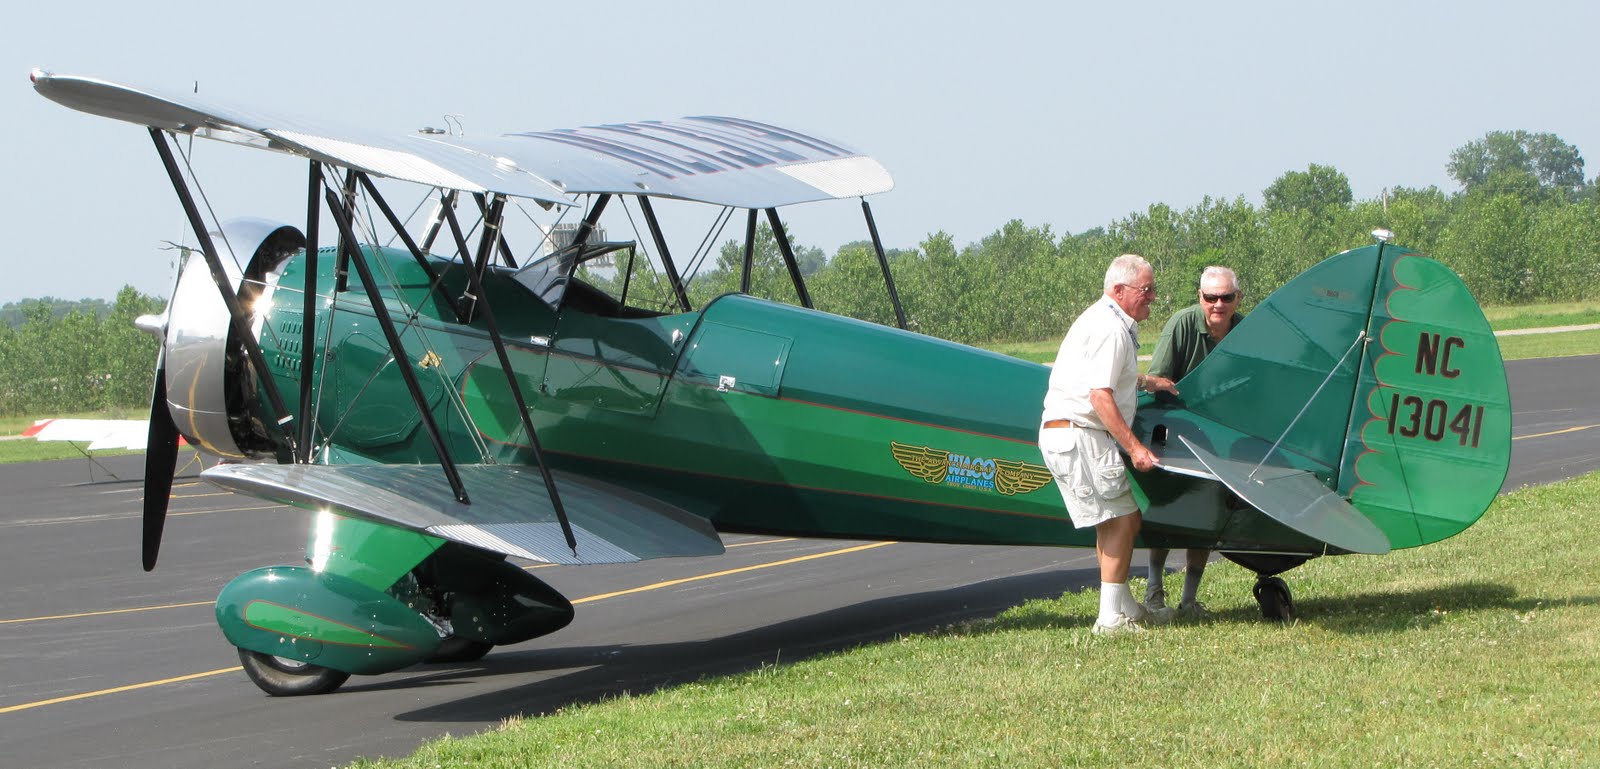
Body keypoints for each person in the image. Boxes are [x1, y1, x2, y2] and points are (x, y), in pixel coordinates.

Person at [1039, 254, 1179, 635]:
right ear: (1119, 290)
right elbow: (1100, 396)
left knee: (1116, 519)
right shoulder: (1111, 329)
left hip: (1069, 432)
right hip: (1081, 433)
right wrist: (1135, 448)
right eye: (1146, 290)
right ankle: (1109, 619)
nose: (1152, 298)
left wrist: (1148, 382)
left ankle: (1126, 608)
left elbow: (1108, 376)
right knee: (1122, 520)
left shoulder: (1104, 320)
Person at [1144, 265, 1245, 619]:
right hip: (1176, 428)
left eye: (1226, 297)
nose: (1218, 304)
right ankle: (1154, 591)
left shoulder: (1246, 331)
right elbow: (1157, 378)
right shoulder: (1182, 324)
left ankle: (1189, 600)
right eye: (1210, 297)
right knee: (1167, 511)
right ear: (1200, 297)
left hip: (1220, 435)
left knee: (1204, 515)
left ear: (1237, 299)